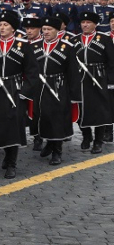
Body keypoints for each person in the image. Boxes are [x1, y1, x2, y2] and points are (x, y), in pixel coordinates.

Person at [0, 10, 37, 178]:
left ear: (13, 28)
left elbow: (33, 71)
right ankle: (5, 152)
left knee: (13, 124)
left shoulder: (24, 45)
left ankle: (12, 162)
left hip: (15, 88)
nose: (2, 27)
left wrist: (25, 91)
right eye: (0, 25)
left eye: (5, 25)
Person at [30, 16, 73, 165]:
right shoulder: (34, 46)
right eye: (44, 29)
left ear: (57, 30)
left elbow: (72, 72)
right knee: (41, 115)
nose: (46, 32)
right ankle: (49, 141)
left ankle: (57, 151)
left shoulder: (67, 47)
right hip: (39, 86)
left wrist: (73, 94)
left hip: (58, 85)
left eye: (50, 29)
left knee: (56, 117)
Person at [69, 10, 114, 154]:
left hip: (99, 77)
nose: (85, 25)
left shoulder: (104, 39)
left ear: (95, 24)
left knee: (99, 110)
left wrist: (110, 81)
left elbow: (111, 61)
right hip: (80, 79)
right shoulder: (74, 40)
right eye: (83, 22)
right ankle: (86, 136)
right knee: (81, 110)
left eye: (88, 23)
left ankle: (98, 141)